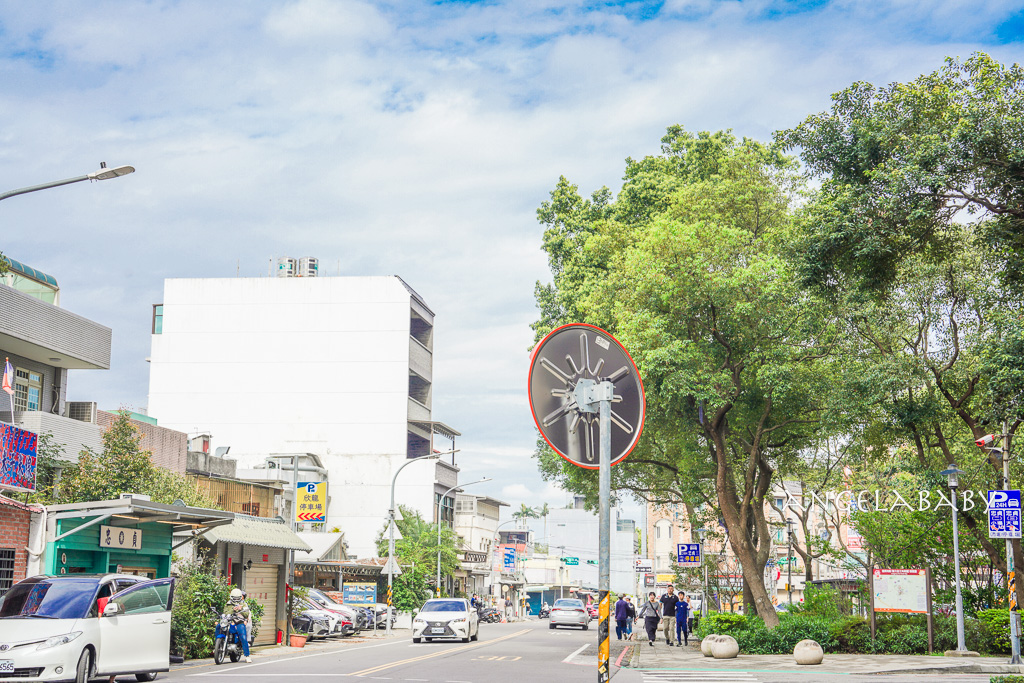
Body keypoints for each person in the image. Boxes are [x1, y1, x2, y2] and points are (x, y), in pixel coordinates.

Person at [227, 588, 252, 663]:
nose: (236, 599)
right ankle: (217, 647)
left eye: (237, 598)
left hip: (239, 622)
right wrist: (233, 609)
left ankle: (247, 656)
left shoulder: (244, 604)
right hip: (229, 622)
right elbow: (225, 612)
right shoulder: (228, 604)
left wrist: (240, 609)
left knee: (243, 637)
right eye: (234, 598)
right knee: (219, 627)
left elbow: (246, 614)